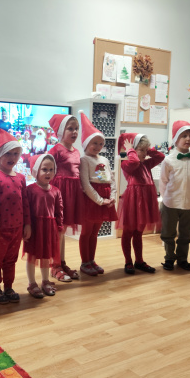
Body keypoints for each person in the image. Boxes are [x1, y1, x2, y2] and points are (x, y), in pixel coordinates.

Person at [0, 129, 31, 304]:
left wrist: (27, 225)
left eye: (15, 154)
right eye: (8, 153)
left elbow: (25, 202)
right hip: (0, 228)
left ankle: (8, 287)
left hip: (17, 227)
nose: (12, 157)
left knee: (11, 259)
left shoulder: (20, 178)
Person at [117, 132, 165, 274]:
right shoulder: (126, 164)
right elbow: (134, 162)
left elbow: (161, 156)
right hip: (133, 201)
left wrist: (147, 149)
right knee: (128, 232)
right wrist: (130, 150)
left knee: (139, 232)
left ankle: (139, 261)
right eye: (141, 150)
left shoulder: (147, 164)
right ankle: (128, 261)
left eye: (146, 150)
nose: (144, 153)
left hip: (145, 202)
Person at [78, 111, 117, 276]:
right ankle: (84, 262)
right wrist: (100, 200)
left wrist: (112, 197)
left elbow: (111, 179)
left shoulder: (105, 160)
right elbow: (86, 184)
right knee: (86, 232)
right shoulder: (84, 160)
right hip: (92, 201)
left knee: (95, 233)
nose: (98, 146)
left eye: (101, 144)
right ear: (86, 143)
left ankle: (91, 260)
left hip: (105, 200)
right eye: (94, 143)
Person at [159, 120, 190, 271]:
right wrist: (165, 199)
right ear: (176, 138)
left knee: (186, 234)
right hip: (170, 202)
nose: (188, 139)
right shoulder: (168, 160)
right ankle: (169, 258)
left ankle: (183, 259)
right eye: (184, 135)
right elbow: (163, 181)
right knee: (168, 233)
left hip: (188, 203)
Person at [47, 114, 84, 282]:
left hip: (72, 194)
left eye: (76, 128)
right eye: (70, 128)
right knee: (57, 231)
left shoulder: (76, 151)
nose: (74, 132)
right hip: (59, 193)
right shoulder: (55, 150)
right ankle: (54, 266)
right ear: (61, 131)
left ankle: (61, 262)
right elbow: (46, 170)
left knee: (62, 231)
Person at [23, 154, 62, 298]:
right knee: (32, 256)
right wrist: (26, 226)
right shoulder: (30, 190)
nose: (48, 173)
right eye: (44, 169)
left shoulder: (56, 191)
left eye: (51, 170)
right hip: (35, 228)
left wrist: (59, 227)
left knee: (46, 256)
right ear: (36, 171)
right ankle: (32, 283)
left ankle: (45, 281)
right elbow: (26, 210)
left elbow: (59, 211)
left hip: (49, 228)